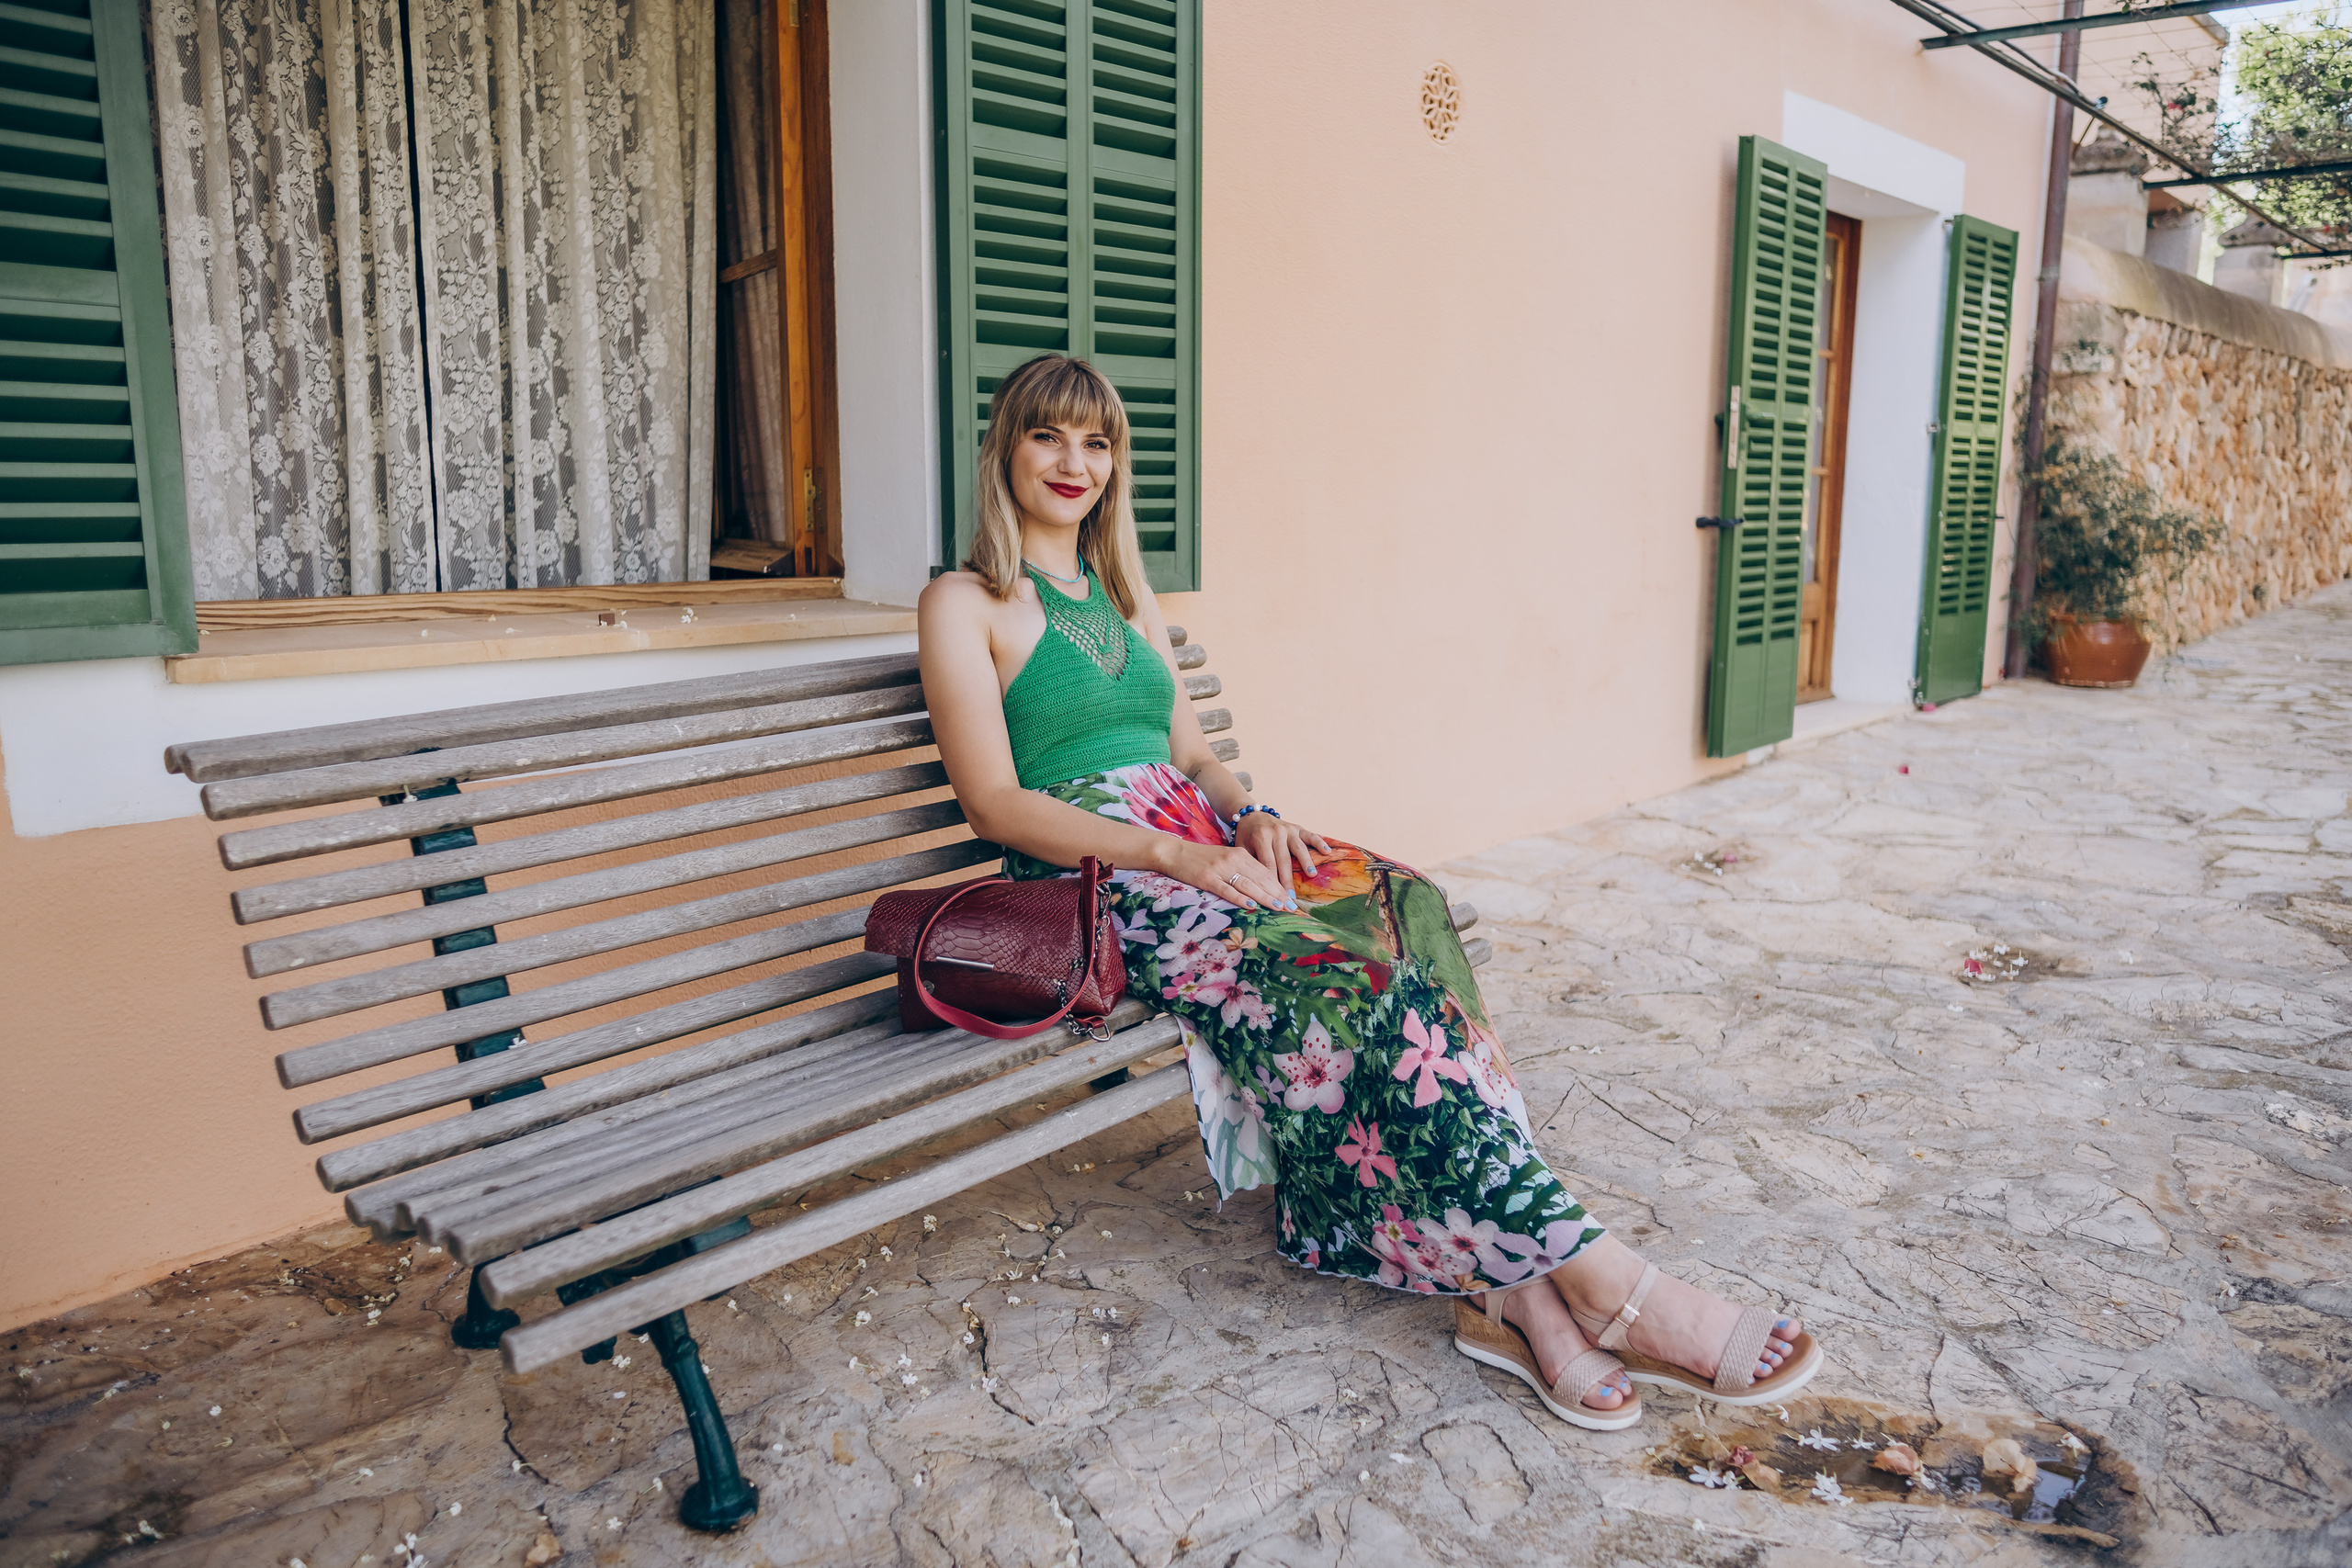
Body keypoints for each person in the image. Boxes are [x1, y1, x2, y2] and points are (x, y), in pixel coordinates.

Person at [918, 354, 1821, 1426]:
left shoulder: (1122, 592)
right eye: (1048, 435)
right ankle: (1601, 1282)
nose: (1074, 462)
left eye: (1097, 441)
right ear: (1006, 448)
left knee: (1412, 909)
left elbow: (1193, 757)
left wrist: (1249, 813)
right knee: (1347, 983)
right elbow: (994, 803)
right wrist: (1170, 856)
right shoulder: (964, 601)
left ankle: (1514, 1290)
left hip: (1203, 840)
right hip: (1102, 879)